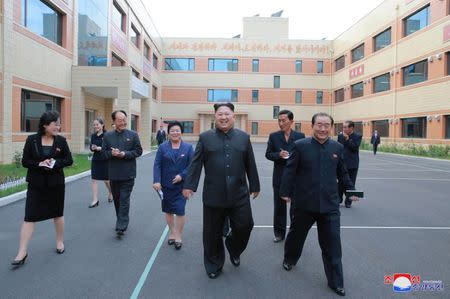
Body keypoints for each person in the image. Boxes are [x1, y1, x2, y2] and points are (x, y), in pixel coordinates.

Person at [280, 112, 359, 297]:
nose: (323, 129)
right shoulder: (300, 146)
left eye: (326, 125)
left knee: (332, 245)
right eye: (319, 125)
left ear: (331, 127)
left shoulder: (337, 148)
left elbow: (343, 173)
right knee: (296, 236)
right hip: (303, 204)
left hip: (330, 205)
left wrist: (351, 190)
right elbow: (290, 171)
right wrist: (285, 192)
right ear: (312, 126)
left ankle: (336, 282)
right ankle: (289, 259)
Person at [182, 103, 260, 279]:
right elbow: (196, 163)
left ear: (233, 116)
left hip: (239, 193)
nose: (223, 117)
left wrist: (254, 185)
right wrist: (189, 185)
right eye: (220, 114)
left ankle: (234, 247)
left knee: (245, 225)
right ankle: (213, 264)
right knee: (212, 232)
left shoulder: (243, 138)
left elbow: (250, 163)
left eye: (227, 114)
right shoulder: (205, 138)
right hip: (213, 194)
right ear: (214, 116)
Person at [11, 111, 73, 267]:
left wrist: (54, 163)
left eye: (59, 124)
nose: (58, 127)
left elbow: (68, 160)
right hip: (36, 184)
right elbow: (25, 161)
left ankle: (59, 242)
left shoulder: (61, 141)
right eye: (55, 124)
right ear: (45, 125)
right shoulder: (31, 140)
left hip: (55, 184)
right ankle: (22, 251)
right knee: (29, 216)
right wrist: (39, 164)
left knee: (57, 214)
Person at [153, 121, 194, 250]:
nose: (175, 133)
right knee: (169, 210)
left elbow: (192, 165)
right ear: (168, 133)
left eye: (177, 130)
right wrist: (157, 180)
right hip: (166, 186)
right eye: (172, 131)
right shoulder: (163, 147)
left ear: (181, 132)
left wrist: (182, 175)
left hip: (182, 186)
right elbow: (157, 164)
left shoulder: (188, 148)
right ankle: (171, 232)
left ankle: (178, 235)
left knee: (180, 210)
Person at [265, 110, 305, 243]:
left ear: (291, 121)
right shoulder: (274, 136)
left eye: (284, 121)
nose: (281, 123)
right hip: (279, 177)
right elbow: (268, 154)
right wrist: (278, 154)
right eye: (279, 121)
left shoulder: (300, 136)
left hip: (296, 178)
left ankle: (295, 233)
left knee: (296, 208)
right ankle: (279, 233)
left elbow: (304, 155)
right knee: (279, 208)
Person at [102, 110, 142, 237]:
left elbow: (138, 151)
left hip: (128, 174)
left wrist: (124, 154)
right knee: (118, 200)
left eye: (124, 119)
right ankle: (121, 219)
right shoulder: (108, 136)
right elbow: (103, 153)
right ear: (114, 121)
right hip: (114, 174)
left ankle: (121, 226)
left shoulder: (133, 135)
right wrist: (111, 153)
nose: (123, 122)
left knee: (124, 199)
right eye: (120, 120)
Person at [337, 121, 362, 208]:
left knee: (351, 183)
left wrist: (347, 139)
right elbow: (338, 148)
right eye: (343, 127)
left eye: (345, 127)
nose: (344, 129)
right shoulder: (340, 136)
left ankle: (348, 202)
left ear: (351, 128)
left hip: (352, 164)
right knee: (340, 182)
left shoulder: (357, 136)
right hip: (341, 163)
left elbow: (355, 148)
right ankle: (338, 199)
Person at [89, 118, 112, 208]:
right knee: (94, 179)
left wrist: (100, 148)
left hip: (105, 159)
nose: (95, 126)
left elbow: (109, 148)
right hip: (96, 160)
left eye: (97, 124)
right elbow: (91, 146)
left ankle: (111, 192)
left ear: (102, 125)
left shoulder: (107, 135)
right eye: (94, 125)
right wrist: (93, 147)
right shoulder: (93, 136)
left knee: (106, 180)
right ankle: (95, 200)